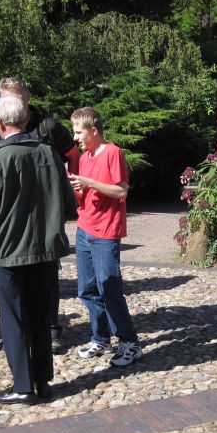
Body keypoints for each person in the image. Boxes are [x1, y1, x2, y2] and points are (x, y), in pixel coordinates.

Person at [0, 95, 77, 404]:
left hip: (7, 251)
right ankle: (42, 381)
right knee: (40, 316)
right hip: (44, 249)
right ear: (26, 120)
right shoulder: (50, 155)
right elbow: (70, 204)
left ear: (0, 124)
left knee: (13, 318)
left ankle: (23, 386)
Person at [0, 78, 80, 353]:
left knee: (47, 274)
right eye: (3, 98)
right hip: (12, 212)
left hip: (45, 211)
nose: (8, 104)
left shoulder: (48, 127)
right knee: (14, 274)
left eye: (14, 98)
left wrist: (72, 190)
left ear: (26, 99)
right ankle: (20, 331)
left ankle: (50, 328)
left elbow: (74, 154)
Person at [68, 106, 142, 367]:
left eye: (79, 132)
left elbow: (121, 191)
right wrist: (75, 186)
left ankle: (130, 342)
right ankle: (100, 338)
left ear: (93, 130)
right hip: (84, 228)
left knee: (109, 288)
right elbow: (89, 194)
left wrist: (88, 183)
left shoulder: (113, 152)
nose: (75, 137)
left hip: (105, 232)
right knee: (87, 289)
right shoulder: (85, 156)